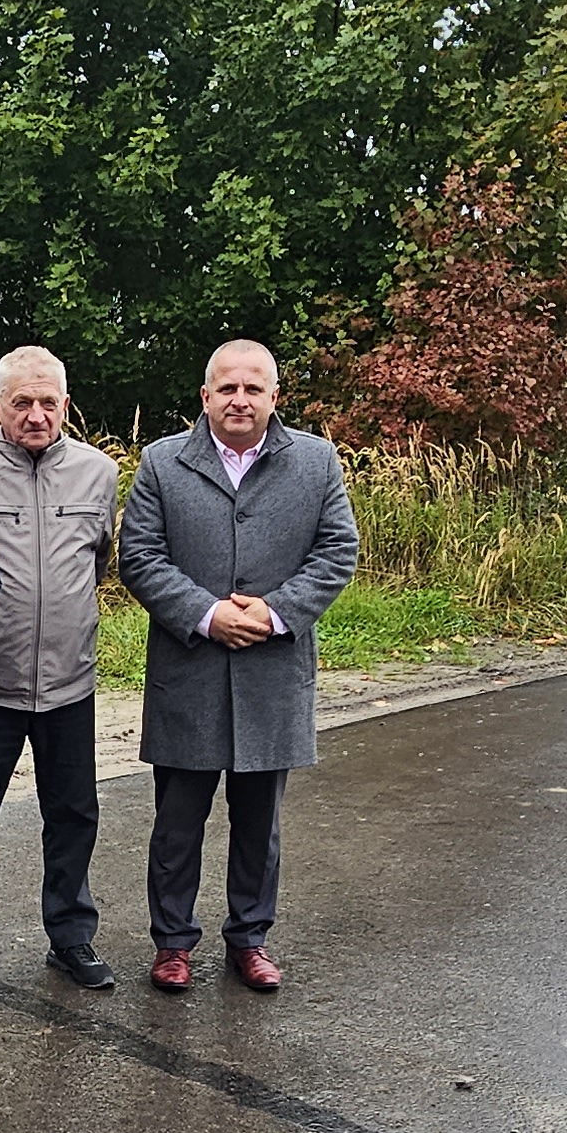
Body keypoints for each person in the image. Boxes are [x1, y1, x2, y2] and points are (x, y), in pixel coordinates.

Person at [115, 336, 360, 995]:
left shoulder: (315, 461)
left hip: (272, 672)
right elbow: (137, 555)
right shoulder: (163, 463)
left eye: (254, 388)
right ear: (206, 396)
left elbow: (338, 550)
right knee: (176, 824)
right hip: (189, 671)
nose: (240, 399)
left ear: (275, 396)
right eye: (227, 388)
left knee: (260, 824)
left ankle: (249, 939)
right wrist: (207, 614)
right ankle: (172, 944)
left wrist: (274, 613)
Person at [0, 345, 119, 996]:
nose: (37, 415)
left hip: (69, 682)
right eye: (22, 403)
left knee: (73, 812)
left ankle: (70, 935)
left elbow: (96, 564)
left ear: (66, 405)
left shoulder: (99, 473)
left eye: (49, 403)